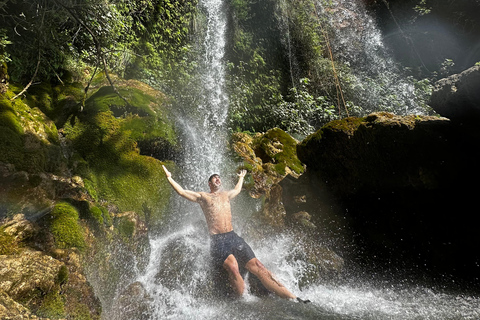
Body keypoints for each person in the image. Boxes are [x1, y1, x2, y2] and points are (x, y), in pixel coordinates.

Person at [162, 165, 310, 303]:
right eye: (214, 178)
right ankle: (244, 302)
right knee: (233, 267)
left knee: (259, 266)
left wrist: (240, 178)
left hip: (233, 237)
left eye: (219, 177)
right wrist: (169, 178)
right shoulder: (203, 197)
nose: (218, 179)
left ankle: (294, 298)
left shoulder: (226, 195)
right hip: (218, 240)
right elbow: (181, 192)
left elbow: (237, 190)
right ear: (209, 183)